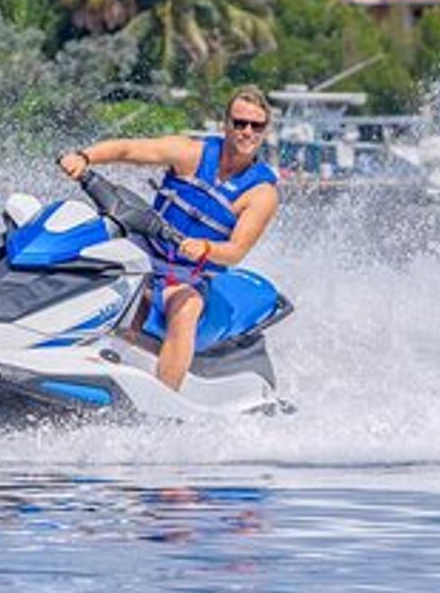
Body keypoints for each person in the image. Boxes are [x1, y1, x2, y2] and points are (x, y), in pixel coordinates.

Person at [57, 87, 280, 392]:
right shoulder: (191, 153)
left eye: (256, 126)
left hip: (188, 275)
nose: (247, 131)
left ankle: (162, 400)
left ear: (265, 130)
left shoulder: (261, 193)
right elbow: (129, 150)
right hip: (144, 251)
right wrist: (84, 157)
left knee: (186, 311)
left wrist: (206, 247)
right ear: (225, 124)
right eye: (239, 123)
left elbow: (235, 251)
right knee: (83, 251)